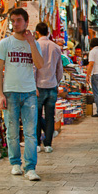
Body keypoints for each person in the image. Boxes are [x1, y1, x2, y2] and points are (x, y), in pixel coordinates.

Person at [0, 7, 44, 181]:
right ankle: (15, 163)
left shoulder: (34, 43)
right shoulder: (5, 43)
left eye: (18, 20)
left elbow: (39, 64)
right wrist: (0, 94)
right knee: (12, 131)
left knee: (31, 132)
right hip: (10, 92)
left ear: (26, 22)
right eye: (12, 20)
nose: (15, 24)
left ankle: (30, 167)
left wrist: (31, 43)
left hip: (29, 92)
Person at [34, 22, 64, 153]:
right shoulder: (55, 47)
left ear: (37, 33)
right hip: (52, 86)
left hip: (38, 86)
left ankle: (37, 142)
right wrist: (56, 82)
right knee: (50, 115)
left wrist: (33, 85)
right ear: (48, 32)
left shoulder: (35, 46)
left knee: (36, 115)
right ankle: (48, 144)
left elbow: (33, 68)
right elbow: (60, 69)